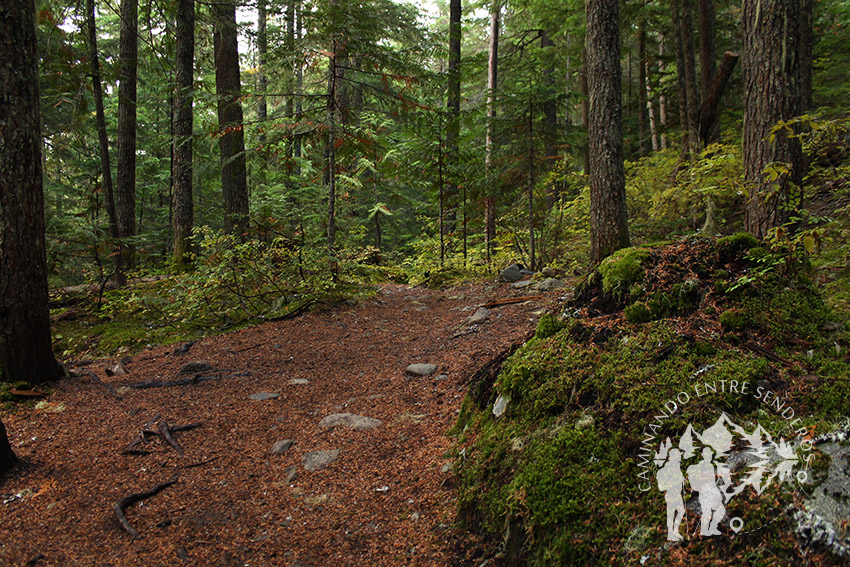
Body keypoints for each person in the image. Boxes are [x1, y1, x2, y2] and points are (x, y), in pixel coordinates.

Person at [687, 446, 726, 536]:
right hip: (704, 491)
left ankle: (712, 527)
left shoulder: (710, 465)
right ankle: (704, 530)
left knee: (719, 510)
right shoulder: (700, 467)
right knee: (706, 512)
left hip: (712, 490)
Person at [656, 448, 686, 541]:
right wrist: (671, 485)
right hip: (671, 495)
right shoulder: (666, 470)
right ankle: (670, 533)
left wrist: (682, 480)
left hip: (677, 494)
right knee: (671, 514)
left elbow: (680, 478)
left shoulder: (676, 468)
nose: (679, 458)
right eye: (677, 456)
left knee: (681, 511)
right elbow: (661, 487)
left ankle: (675, 531)